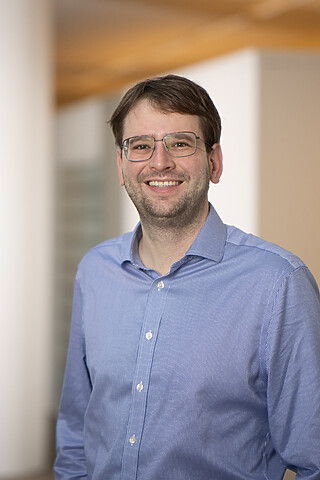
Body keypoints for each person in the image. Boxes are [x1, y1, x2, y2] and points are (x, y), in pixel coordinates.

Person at [54, 75, 320, 480]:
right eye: (141, 146)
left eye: (180, 143)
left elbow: (313, 457)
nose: (159, 162)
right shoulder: (95, 271)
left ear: (214, 162)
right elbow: (76, 431)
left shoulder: (278, 284)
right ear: (122, 166)